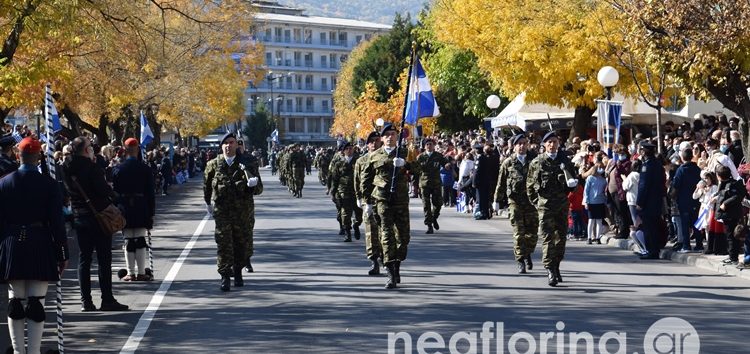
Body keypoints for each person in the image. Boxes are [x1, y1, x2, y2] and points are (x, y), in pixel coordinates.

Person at [0, 137, 69, 354]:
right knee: (36, 303)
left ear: (17, 155)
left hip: (11, 242)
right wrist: (62, 252)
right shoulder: (48, 184)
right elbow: (57, 223)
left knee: (16, 302)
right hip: (39, 240)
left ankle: (19, 351)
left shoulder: (3, 183)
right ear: (39, 156)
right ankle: (33, 351)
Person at [62, 136, 129, 311]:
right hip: (98, 216)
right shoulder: (92, 168)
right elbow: (102, 190)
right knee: (103, 258)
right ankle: (107, 298)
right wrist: (114, 195)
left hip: (79, 215)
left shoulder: (65, 168)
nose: (92, 149)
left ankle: (86, 301)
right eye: (90, 147)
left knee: (84, 259)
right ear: (85, 150)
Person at [203, 132, 262, 291]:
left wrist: (253, 185)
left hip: (242, 212)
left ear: (237, 145)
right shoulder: (213, 165)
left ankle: (238, 271)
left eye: (232, 142)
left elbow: (259, 189)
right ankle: (224, 275)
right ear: (221, 146)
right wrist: (208, 203)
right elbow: (207, 187)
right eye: (226, 143)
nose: (229, 145)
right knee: (223, 243)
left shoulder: (247, 163)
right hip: (222, 212)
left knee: (241, 243)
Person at [362, 123, 411, 289]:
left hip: (401, 200)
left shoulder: (406, 153)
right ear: (382, 139)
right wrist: (366, 201)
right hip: (382, 200)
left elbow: (419, 170)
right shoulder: (374, 155)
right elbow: (366, 179)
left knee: (403, 238)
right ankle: (390, 272)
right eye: (387, 135)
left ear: (397, 137)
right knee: (387, 235)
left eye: (393, 134)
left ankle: (397, 265)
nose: (390, 137)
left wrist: (405, 164)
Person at [526, 132, 578, 286]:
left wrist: (573, 187)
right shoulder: (537, 162)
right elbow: (530, 187)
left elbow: (573, 183)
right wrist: (538, 203)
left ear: (558, 144)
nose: (552, 145)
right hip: (545, 206)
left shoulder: (565, 161)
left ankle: (556, 265)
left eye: (554, 142)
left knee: (561, 238)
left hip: (562, 205)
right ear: (544, 145)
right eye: (549, 142)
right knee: (548, 238)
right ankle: (549, 269)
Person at [493, 134, 538, 274]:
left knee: (532, 234)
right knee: (519, 233)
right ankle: (520, 260)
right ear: (514, 146)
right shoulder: (508, 163)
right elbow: (500, 183)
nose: (522, 146)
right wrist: (496, 201)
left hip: (532, 202)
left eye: (524, 143)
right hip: (515, 202)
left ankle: (527, 253)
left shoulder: (535, 161)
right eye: (519, 144)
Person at [112, 138, 156, 281]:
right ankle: (142, 272)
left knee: (128, 239)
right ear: (137, 149)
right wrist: (151, 212)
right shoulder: (145, 168)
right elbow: (150, 192)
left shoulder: (118, 169)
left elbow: (115, 192)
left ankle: (130, 273)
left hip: (124, 206)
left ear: (124, 150)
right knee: (140, 238)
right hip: (141, 205)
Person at [354, 131, 383, 275]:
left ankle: (385, 257)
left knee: (385, 231)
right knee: (371, 233)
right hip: (369, 201)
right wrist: (360, 199)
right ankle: (374, 261)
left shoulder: (387, 158)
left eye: (377, 140)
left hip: (384, 201)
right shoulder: (361, 161)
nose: (374, 143)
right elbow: (357, 181)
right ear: (367, 144)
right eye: (371, 141)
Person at [636, 141, 666, 260]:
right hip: (656, 200)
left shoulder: (646, 166)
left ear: (644, 151)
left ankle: (651, 250)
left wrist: (640, 202)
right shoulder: (658, 164)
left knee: (649, 228)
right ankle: (654, 249)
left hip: (648, 202)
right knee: (654, 226)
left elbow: (643, 186)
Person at [671, 149, 703, 253]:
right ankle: (699, 244)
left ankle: (686, 245)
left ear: (682, 158)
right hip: (696, 200)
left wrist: (672, 196)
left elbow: (676, 185)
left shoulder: (681, 170)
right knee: (696, 223)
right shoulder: (697, 169)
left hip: (684, 200)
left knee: (685, 223)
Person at [715, 164, 747, 265]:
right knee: (730, 236)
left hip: (731, 214)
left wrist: (725, 203)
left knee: (731, 236)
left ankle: (733, 258)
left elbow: (736, 196)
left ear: (719, 176)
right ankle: (732, 256)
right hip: (728, 214)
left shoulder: (731, 184)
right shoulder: (724, 183)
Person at [415, 138, 448, 234]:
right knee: (426, 205)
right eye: (427, 144)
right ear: (425, 146)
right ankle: (429, 225)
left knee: (438, 203)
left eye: (431, 144)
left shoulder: (438, 156)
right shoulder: (420, 157)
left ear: (434, 146)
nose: (429, 146)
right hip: (424, 183)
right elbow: (416, 170)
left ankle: (434, 218)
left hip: (436, 183)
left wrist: (447, 165)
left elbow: (445, 162)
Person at [329, 142, 359, 242]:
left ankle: (356, 224)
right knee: (345, 215)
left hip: (357, 192)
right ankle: (348, 233)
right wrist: (332, 193)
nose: (349, 150)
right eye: (347, 149)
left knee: (360, 214)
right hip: (343, 192)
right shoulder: (339, 164)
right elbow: (334, 179)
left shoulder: (358, 162)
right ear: (344, 151)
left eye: (351, 148)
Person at [583, 163, 607, 245]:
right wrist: (586, 201)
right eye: (599, 168)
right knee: (591, 220)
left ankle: (598, 237)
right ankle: (589, 237)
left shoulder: (604, 180)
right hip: (591, 202)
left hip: (600, 202)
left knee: (599, 221)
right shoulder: (590, 178)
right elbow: (586, 190)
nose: (601, 169)